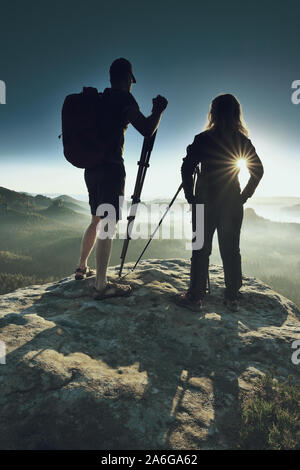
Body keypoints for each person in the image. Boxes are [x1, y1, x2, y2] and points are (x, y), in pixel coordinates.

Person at [75, 58, 168, 299]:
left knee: (96, 219)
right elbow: (147, 129)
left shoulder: (99, 99)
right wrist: (157, 111)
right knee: (109, 224)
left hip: (91, 169)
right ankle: (101, 285)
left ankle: (82, 267)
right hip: (111, 169)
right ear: (128, 79)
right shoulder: (123, 99)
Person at [180, 93, 264, 311]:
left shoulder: (203, 139)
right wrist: (243, 197)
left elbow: (186, 168)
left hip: (204, 202)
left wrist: (190, 196)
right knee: (231, 250)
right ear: (236, 114)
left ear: (213, 113)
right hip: (231, 202)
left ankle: (196, 297)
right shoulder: (241, 140)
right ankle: (232, 297)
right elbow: (258, 170)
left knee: (200, 249)